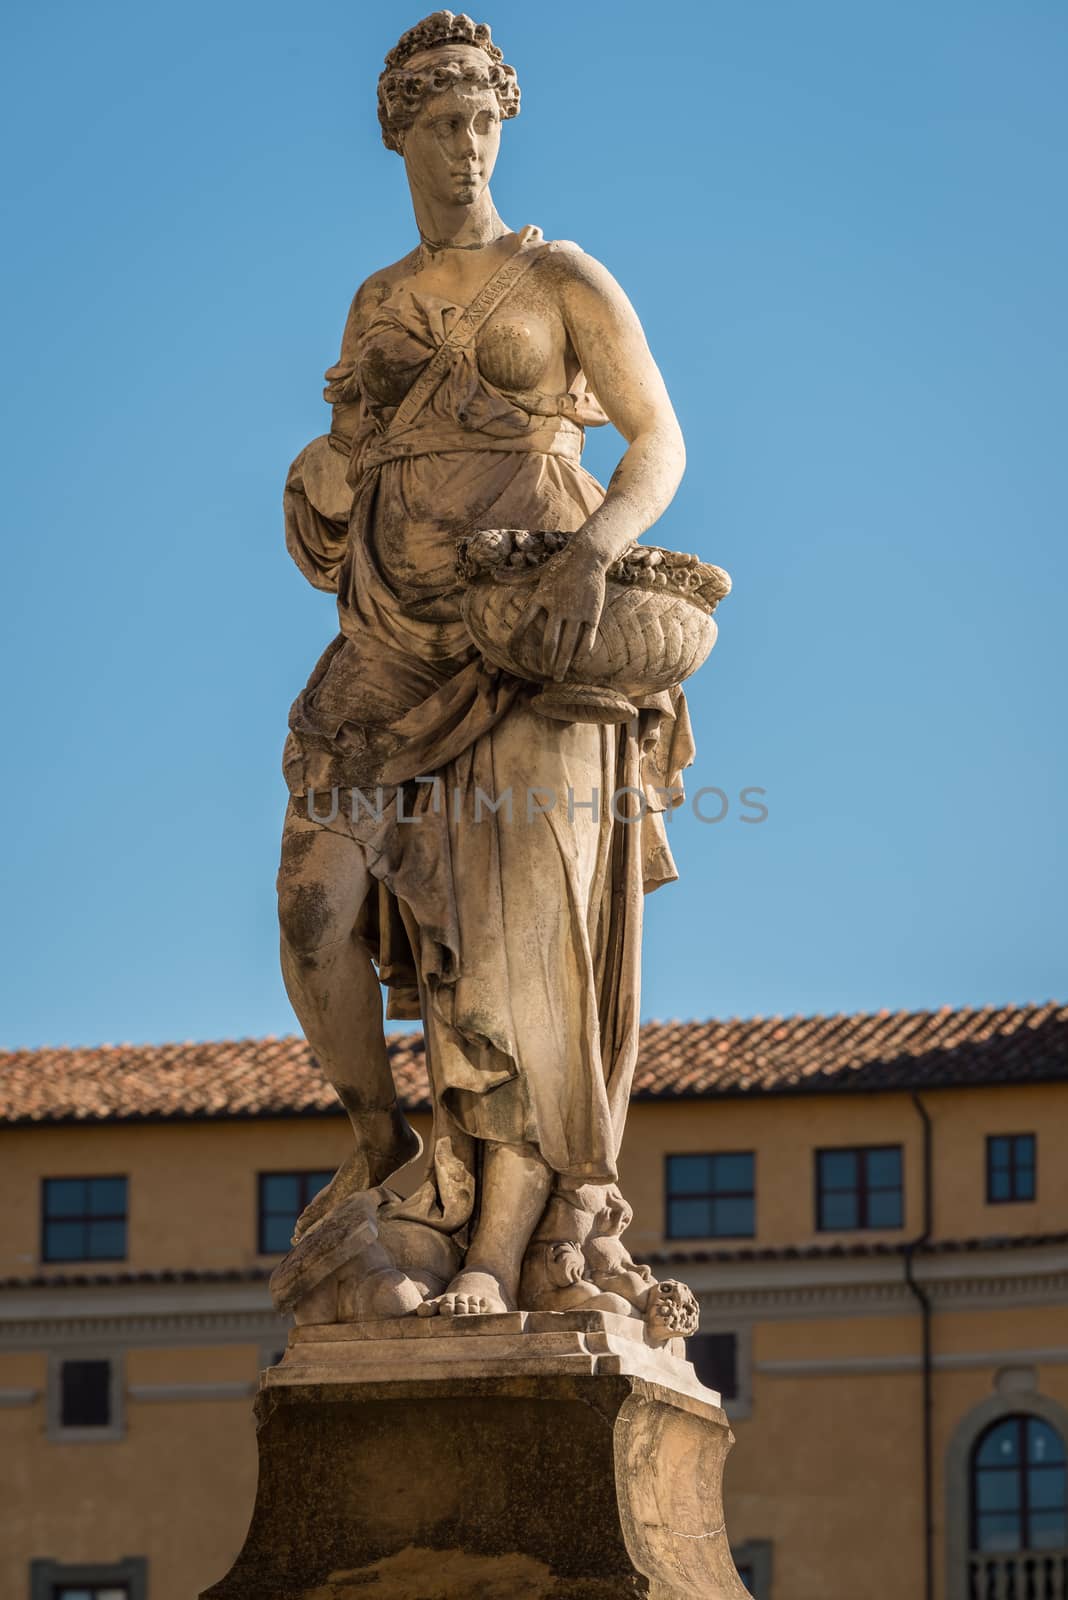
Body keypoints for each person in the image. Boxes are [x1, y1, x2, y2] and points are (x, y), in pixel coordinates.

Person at [276, 9, 693, 1318]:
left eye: (481, 120)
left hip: (532, 624)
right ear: (398, 133)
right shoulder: (378, 302)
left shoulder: (560, 274)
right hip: (390, 633)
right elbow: (334, 489)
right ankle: (390, 1162)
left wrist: (595, 556)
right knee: (314, 908)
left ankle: (508, 1245)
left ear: (501, 123)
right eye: (440, 122)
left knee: (525, 942)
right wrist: (336, 456)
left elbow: (657, 441)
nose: (465, 145)